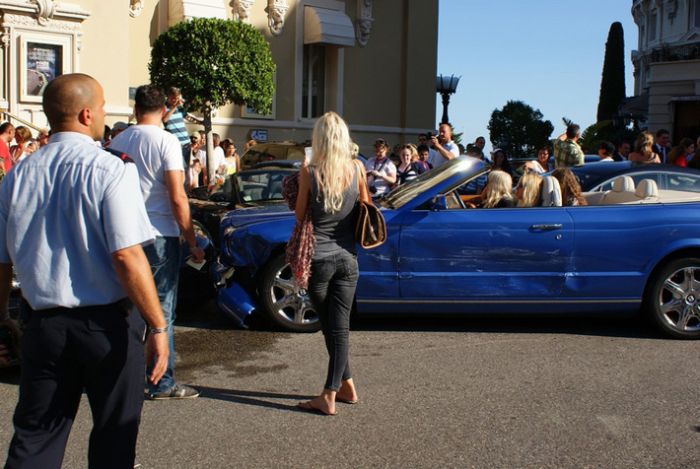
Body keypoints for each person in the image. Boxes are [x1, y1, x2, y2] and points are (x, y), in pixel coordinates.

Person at [0, 73, 168, 468]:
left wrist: (0, 319)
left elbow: (2, 260)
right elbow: (127, 256)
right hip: (105, 324)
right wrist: (158, 326)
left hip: (43, 322)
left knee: (36, 437)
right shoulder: (110, 169)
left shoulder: (17, 176)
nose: (105, 114)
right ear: (86, 114)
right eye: (103, 107)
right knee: (114, 435)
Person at [110, 84, 204, 400]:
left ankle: (124, 377)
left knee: (127, 308)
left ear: (136, 109)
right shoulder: (167, 141)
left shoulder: (118, 141)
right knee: (161, 312)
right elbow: (177, 196)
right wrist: (191, 239)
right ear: (163, 109)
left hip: (124, 234)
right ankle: (161, 382)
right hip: (160, 234)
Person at [295, 111, 365, 416]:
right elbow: (366, 207)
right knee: (335, 328)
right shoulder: (358, 168)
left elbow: (300, 216)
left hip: (319, 259)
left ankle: (329, 394)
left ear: (319, 139)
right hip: (348, 258)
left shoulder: (310, 171)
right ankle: (347, 385)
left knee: (334, 329)